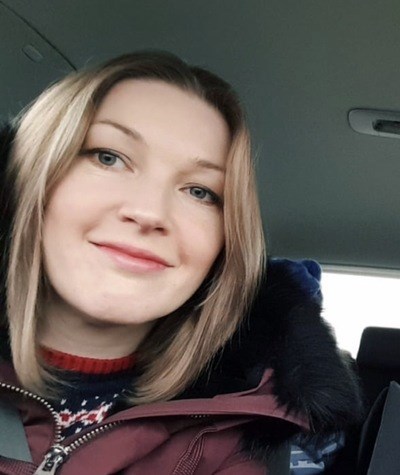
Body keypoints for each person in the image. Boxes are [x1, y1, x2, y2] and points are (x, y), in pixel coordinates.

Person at [0, 51, 362, 474]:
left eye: (199, 191)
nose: (149, 212)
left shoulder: (234, 448)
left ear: (224, 246)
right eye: (107, 157)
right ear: (26, 179)